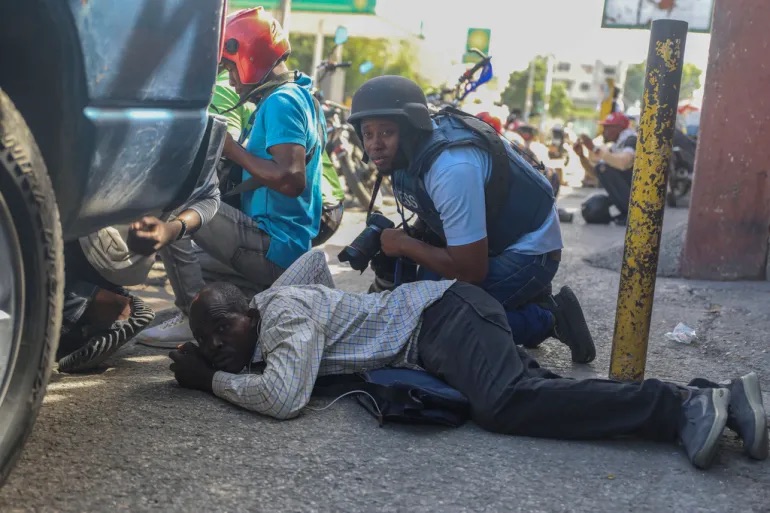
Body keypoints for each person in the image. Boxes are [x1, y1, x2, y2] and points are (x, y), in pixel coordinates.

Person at [168, 250, 769, 470]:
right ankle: (720, 397)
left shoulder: (285, 316)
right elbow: (316, 263)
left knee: (507, 404)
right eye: (210, 341)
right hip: (445, 324)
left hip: (444, 318)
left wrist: (211, 379)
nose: (219, 347)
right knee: (542, 395)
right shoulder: (277, 299)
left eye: (220, 335)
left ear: (242, 315)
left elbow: (283, 398)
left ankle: (681, 407)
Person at [345, 76, 595, 363]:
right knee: (414, 304)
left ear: (412, 129)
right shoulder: (407, 155)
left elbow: (471, 269)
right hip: (490, 242)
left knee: (436, 329)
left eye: (386, 132)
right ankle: (522, 302)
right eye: (368, 134)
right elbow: (433, 213)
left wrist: (404, 245)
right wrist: (412, 239)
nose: (375, 145)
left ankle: (548, 317)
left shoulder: (451, 168)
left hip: (528, 250)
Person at [136, 7, 324, 348]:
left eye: (229, 67)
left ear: (250, 56)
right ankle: (222, 304)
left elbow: (291, 179)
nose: (230, 78)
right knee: (191, 260)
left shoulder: (282, 102)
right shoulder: (293, 96)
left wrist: (232, 148)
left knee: (175, 206)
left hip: (274, 245)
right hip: (281, 249)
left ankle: (195, 320)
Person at [57, 125, 224, 372]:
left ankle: (104, 304)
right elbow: (210, 197)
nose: (232, 82)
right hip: (104, 250)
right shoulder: (202, 123)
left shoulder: (195, 127)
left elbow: (210, 196)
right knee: (53, 341)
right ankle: (96, 309)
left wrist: (170, 230)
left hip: (87, 240)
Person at [574, 112, 637, 225]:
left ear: (619, 128)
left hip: (639, 193)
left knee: (604, 168)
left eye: (607, 128)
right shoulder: (617, 145)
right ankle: (626, 212)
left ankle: (632, 214)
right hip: (631, 189)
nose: (604, 132)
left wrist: (594, 148)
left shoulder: (631, 140)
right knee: (602, 168)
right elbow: (596, 173)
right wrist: (581, 156)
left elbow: (623, 163)